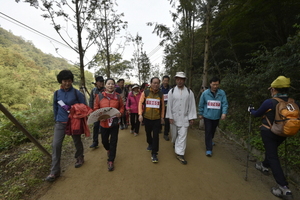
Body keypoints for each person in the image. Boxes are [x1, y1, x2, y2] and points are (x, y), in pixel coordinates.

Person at [249, 76, 295, 200]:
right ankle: (264, 165)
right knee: (271, 151)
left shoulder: (270, 102)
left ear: (274, 89)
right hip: (284, 133)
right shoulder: (292, 102)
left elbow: (257, 114)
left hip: (269, 132)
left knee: (273, 156)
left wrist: (251, 110)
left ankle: (284, 188)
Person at [45, 70, 86, 182]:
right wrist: (56, 118)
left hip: (74, 121)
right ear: (61, 81)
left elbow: (84, 107)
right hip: (60, 122)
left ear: (72, 81)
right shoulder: (57, 94)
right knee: (56, 145)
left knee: (77, 140)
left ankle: (79, 157)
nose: (67, 83)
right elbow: (55, 107)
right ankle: (55, 171)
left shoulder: (77, 93)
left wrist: (75, 110)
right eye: (64, 81)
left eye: (69, 81)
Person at [166, 72, 197, 164]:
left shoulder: (189, 92)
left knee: (183, 135)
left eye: (181, 79)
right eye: (178, 79)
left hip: (184, 118)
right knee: (175, 135)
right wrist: (170, 117)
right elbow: (169, 105)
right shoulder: (171, 92)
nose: (179, 81)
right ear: (176, 80)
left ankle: (180, 154)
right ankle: (175, 143)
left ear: (184, 80)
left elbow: (192, 105)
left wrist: (191, 118)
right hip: (174, 118)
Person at [94, 78, 124, 171]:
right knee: (104, 141)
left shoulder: (118, 97)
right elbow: (96, 108)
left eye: (112, 84)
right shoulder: (99, 96)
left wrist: (120, 113)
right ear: (105, 85)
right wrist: (99, 115)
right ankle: (108, 150)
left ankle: (111, 160)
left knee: (114, 141)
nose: (110, 85)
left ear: (114, 86)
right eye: (108, 84)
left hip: (114, 123)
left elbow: (122, 108)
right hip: (103, 123)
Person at [198, 77, 228, 157]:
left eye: (217, 84)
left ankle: (210, 140)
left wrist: (224, 113)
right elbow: (201, 104)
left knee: (213, 130)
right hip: (207, 116)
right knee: (208, 131)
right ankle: (209, 149)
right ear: (210, 84)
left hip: (216, 116)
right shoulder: (205, 93)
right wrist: (200, 113)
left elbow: (225, 104)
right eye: (214, 84)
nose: (215, 86)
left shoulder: (222, 93)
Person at [138, 77, 165, 163]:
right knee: (148, 134)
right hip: (147, 118)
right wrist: (140, 114)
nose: (156, 85)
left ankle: (154, 154)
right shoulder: (145, 93)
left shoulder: (161, 94)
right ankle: (150, 143)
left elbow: (163, 107)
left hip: (156, 119)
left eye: (157, 83)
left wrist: (162, 117)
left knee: (156, 136)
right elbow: (140, 103)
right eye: (154, 83)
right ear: (151, 83)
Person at [89, 76, 105, 148]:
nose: (102, 83)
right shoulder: (94, 90)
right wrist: (90, 110)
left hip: (104, 112)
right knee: (96, 126)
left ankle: (105, 141)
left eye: (102, 82)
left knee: (104, 127)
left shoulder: (106, 90)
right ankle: (95, 142)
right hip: (96, 111)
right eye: (100, 82)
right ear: (97, 82)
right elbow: (91, 101)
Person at [160, 75, 172, 141]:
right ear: (162, 81)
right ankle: (159, 129)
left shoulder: (171, 89)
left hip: (168, 107)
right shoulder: (159, 88)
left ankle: (166, 134)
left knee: (167, 120)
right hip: (159, 106)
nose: (165, 82)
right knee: (159, 118)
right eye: (164, 80)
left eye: (167, 81)